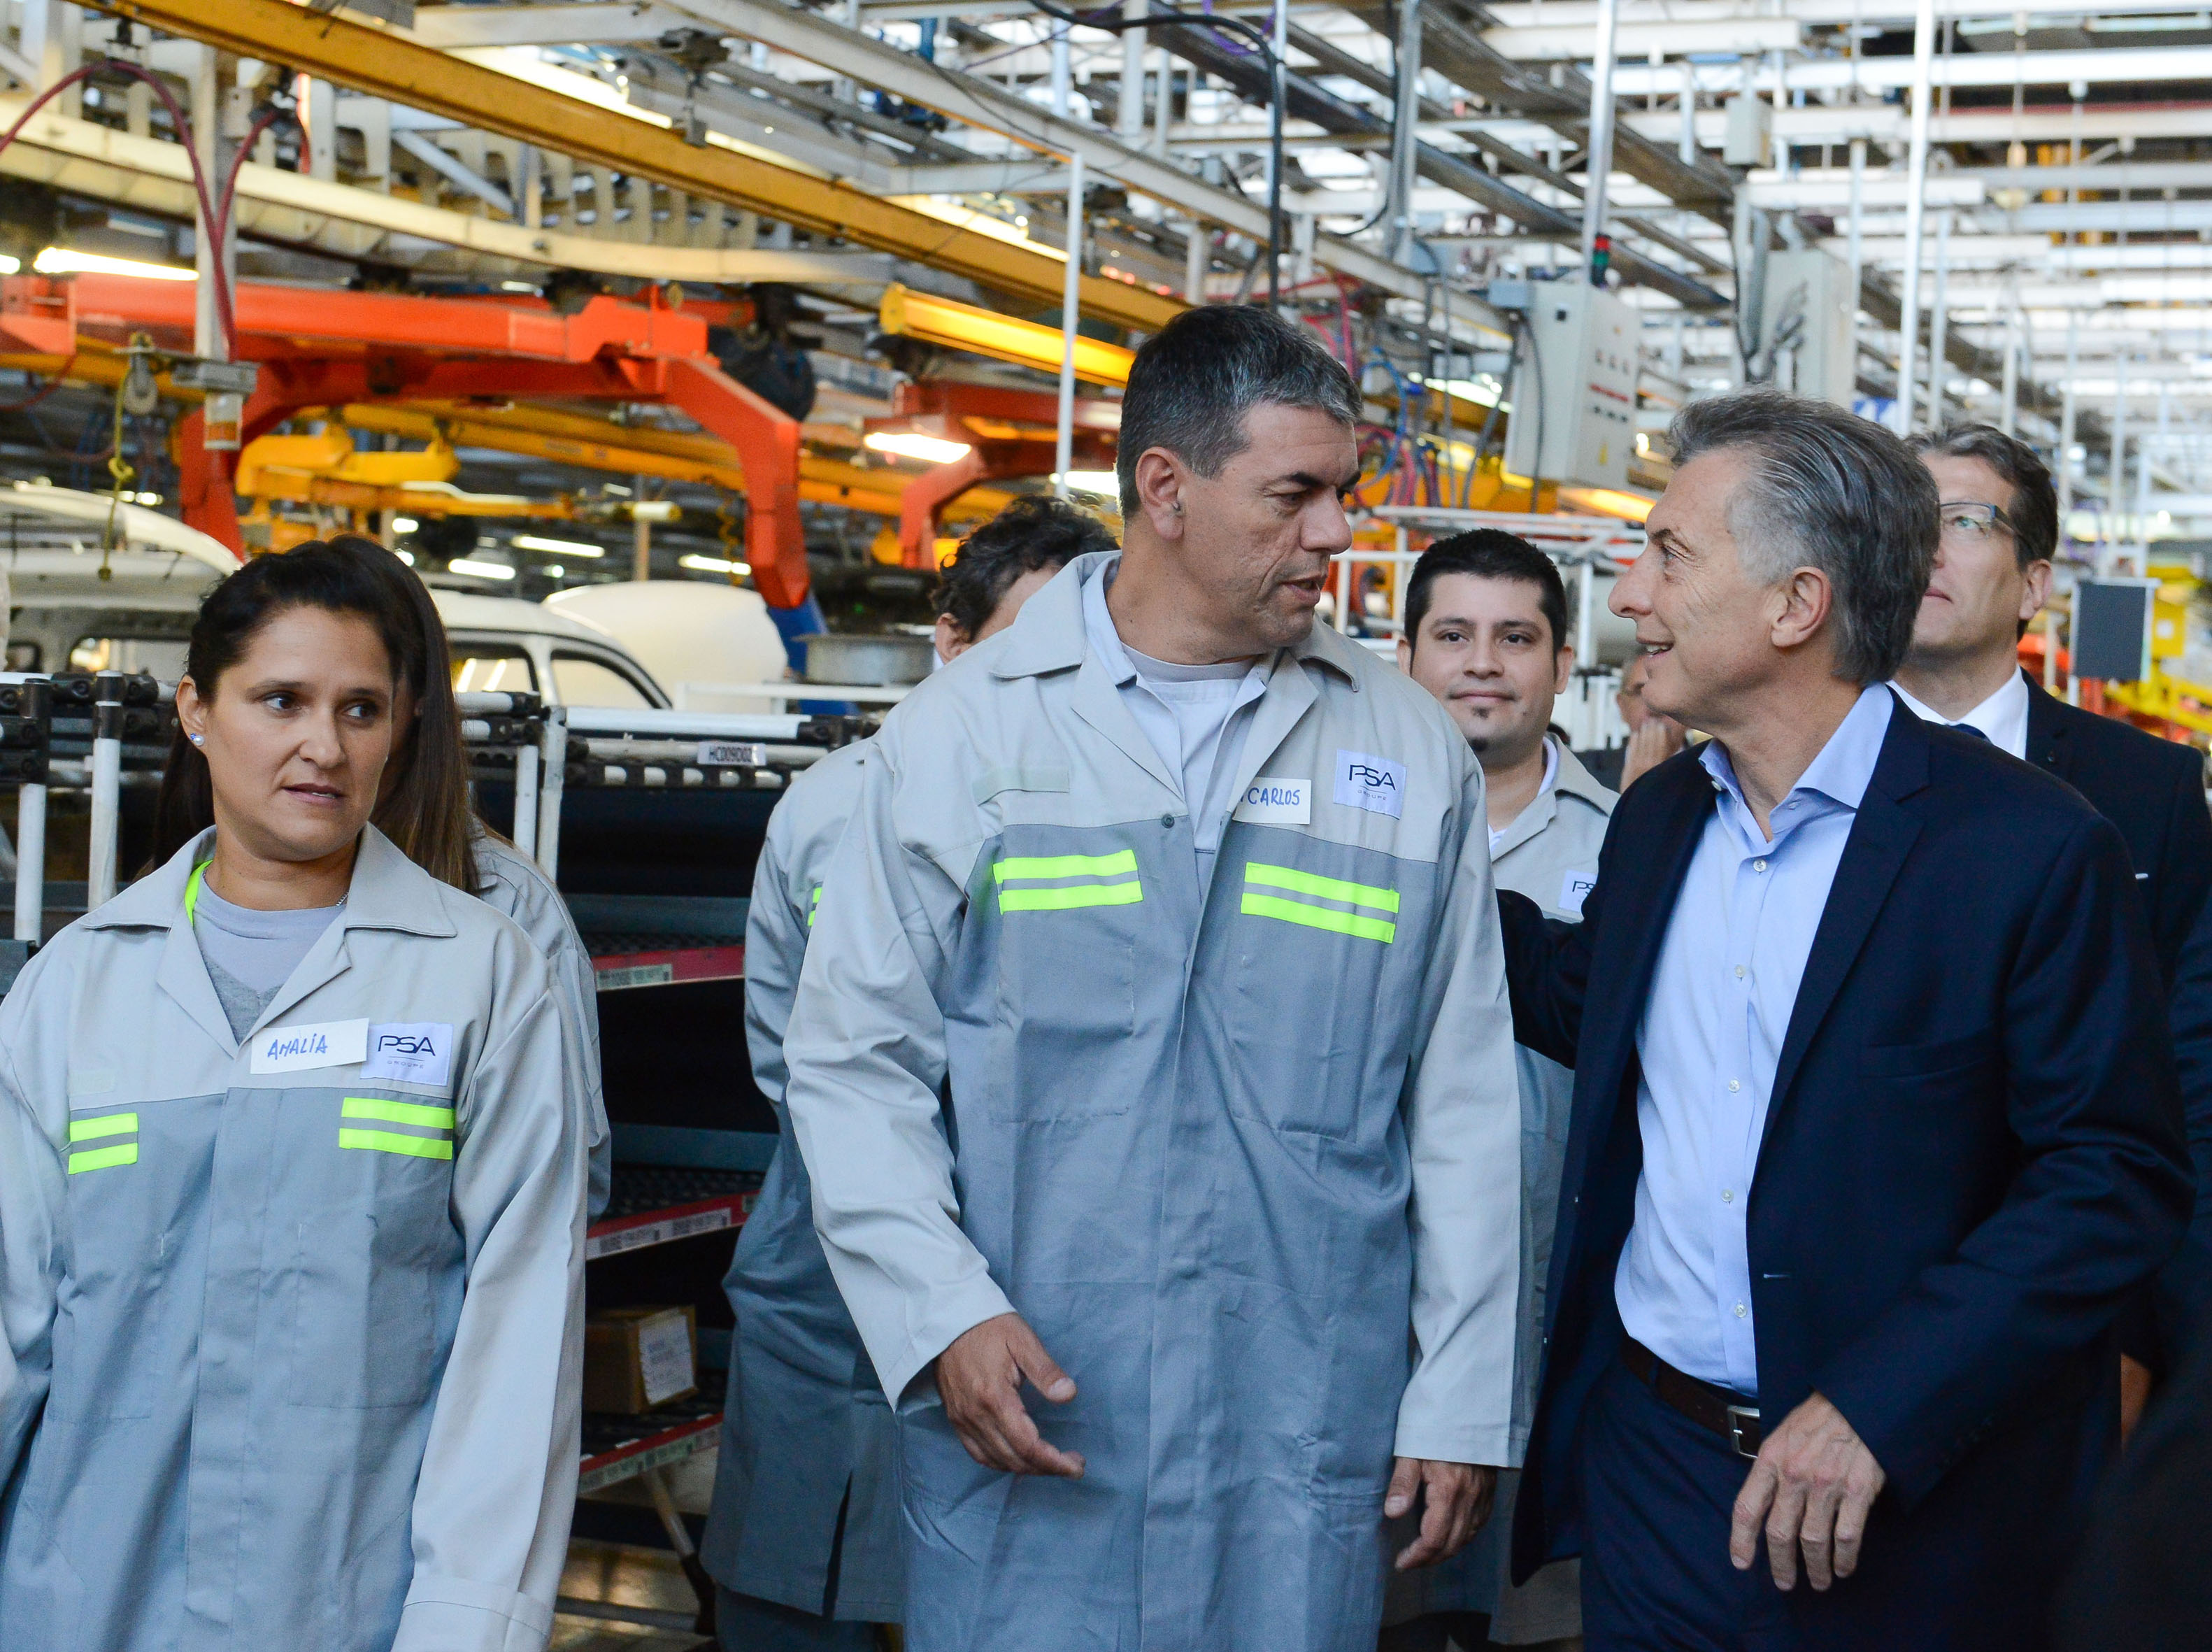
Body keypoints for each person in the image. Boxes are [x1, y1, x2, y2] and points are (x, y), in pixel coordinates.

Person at [780, 304, 1522, 1652]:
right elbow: (851, 1060)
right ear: (1164, 490)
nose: (1335, 535)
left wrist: (1458, 1396)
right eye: (1293, 494)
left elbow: (1463, 1100)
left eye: (1341, 495)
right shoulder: (969, 729)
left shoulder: (1404, 751)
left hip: (1295, 1411)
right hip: (1041, 1402)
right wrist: (941, 1309)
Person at [1494, 390, 2192, 1650]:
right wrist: (1413, 889)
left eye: (1666, 552)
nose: (1630, 593)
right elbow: (1587, 1005)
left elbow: (2110, 1175)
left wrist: (1880, 1402)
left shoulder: (2024, 849)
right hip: (1654, 1480)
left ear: (1792, 606)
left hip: (1900, 1501)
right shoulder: (1657, 822)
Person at [0, 541, 587, 1651]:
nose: (324, 745)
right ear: (196, 711)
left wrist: (468, 1625)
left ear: (401, 727)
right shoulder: (77, 985)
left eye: (360, 709)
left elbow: (517, 1351)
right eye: (281, 700)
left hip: (351, 1606)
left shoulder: (479, 974)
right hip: (80, 1596)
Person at [703, 495, 1115, 1651]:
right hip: (826, 1219)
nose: (1050, 681)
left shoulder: (1117, 816)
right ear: (949, 642)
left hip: (1040, 1211)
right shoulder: (830, 805)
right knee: (799, 1557)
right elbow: (789, 1036)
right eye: (1023, 645)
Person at [1890, 424, 2212, 1393]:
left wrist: (2150, 1347)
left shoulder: (2143, 787)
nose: (1925, 546)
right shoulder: (1793, 769)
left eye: (1963, 521)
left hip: (2072, 1327)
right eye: (1904, 520)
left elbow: (2180, 1084)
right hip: (1839, 1313)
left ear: (2033, 584)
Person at [1388, 532, 1615, 1651]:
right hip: (1375, 1355)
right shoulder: (1337, 836)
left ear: (1561, 663)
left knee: (1539, 1625)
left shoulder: (1635, 848)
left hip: (1557, 1351)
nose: (1483, 663)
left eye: (1515, 637)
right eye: (1453, 635)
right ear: (1403, 652)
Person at [1574, 650, 1686, 793]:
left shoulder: (1715, 775)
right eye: (1640, 692)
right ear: (1622, 706)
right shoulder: (1582, 771)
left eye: (1668, 691)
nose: (1654, 709)